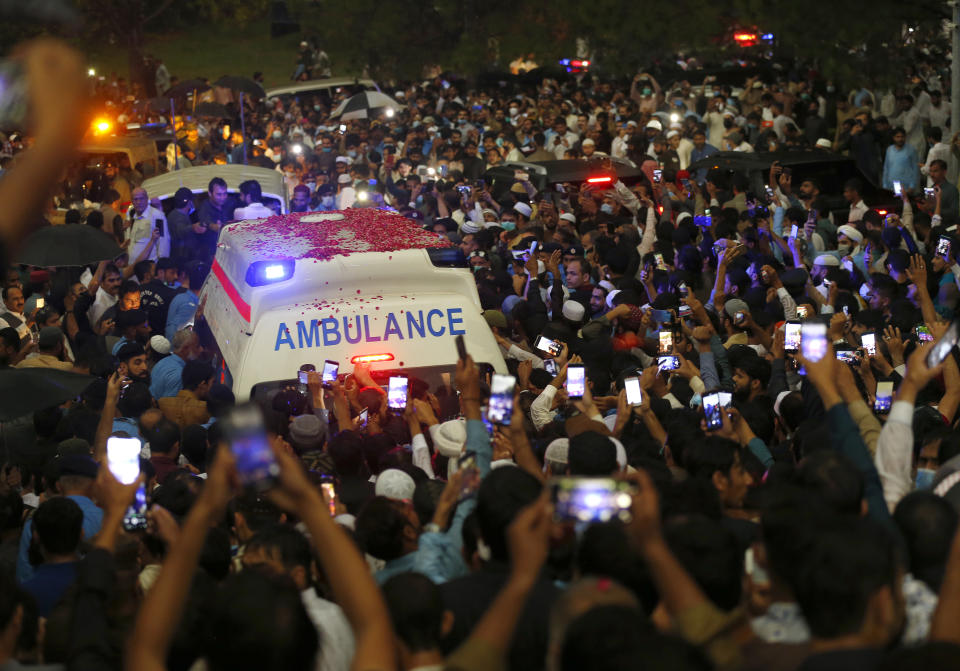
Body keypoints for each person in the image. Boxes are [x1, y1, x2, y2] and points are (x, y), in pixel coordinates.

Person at [158, 359, 214, 428]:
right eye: (213, 382)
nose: (213, 386)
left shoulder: (162, 403)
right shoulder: (205, 410)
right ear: (202, 384)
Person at [149, 327, 199, 400]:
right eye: (197, 346)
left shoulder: (162, 362)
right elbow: (168, 407)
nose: (201, 349)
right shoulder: (179, 375)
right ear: (185, 349)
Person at [126, 187, 171, 262]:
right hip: (134, 268)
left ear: (147, 199)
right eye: (135, 199)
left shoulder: (157, 216)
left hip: (149, 268)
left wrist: (162, 265)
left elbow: (163, 241)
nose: (138, 202)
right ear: (132, 201)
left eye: (141, 198)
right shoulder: (134, 217)